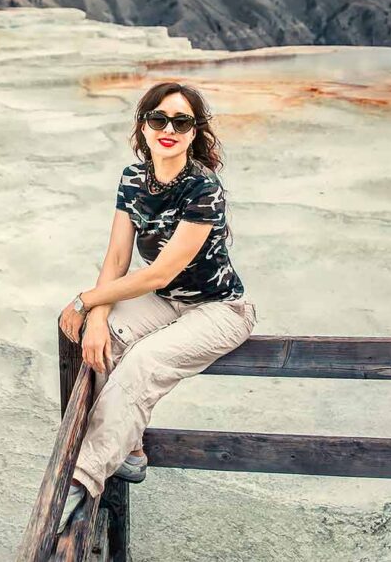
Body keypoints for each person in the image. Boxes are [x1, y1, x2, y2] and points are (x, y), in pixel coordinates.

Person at [55, 81, 257, 535]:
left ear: (194, 132)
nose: (168, 128)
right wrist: (99, 319)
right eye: (158, 118)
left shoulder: (204, 188)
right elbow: (116, 260)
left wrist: (86, 301)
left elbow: (159, 273)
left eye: (181, 121)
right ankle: (130, 450)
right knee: (106, 342)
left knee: (143, 363)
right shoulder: (132, 178)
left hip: (219, 309)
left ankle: (80, 480)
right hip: (165, 302)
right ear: (143, 126)